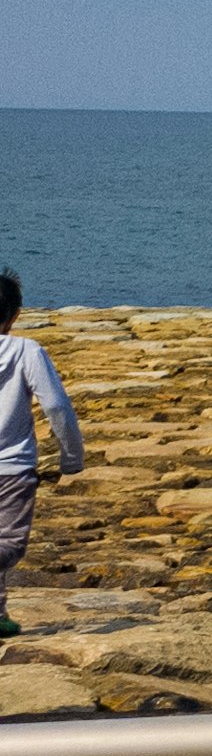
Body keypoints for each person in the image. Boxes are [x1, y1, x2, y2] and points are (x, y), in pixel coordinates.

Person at [0, 270, 84, 641]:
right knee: (9, 543)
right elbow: (56, 406)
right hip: (13, 467)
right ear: (16, 314)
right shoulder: (26, 351)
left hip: (14, 467)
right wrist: (71, 456)